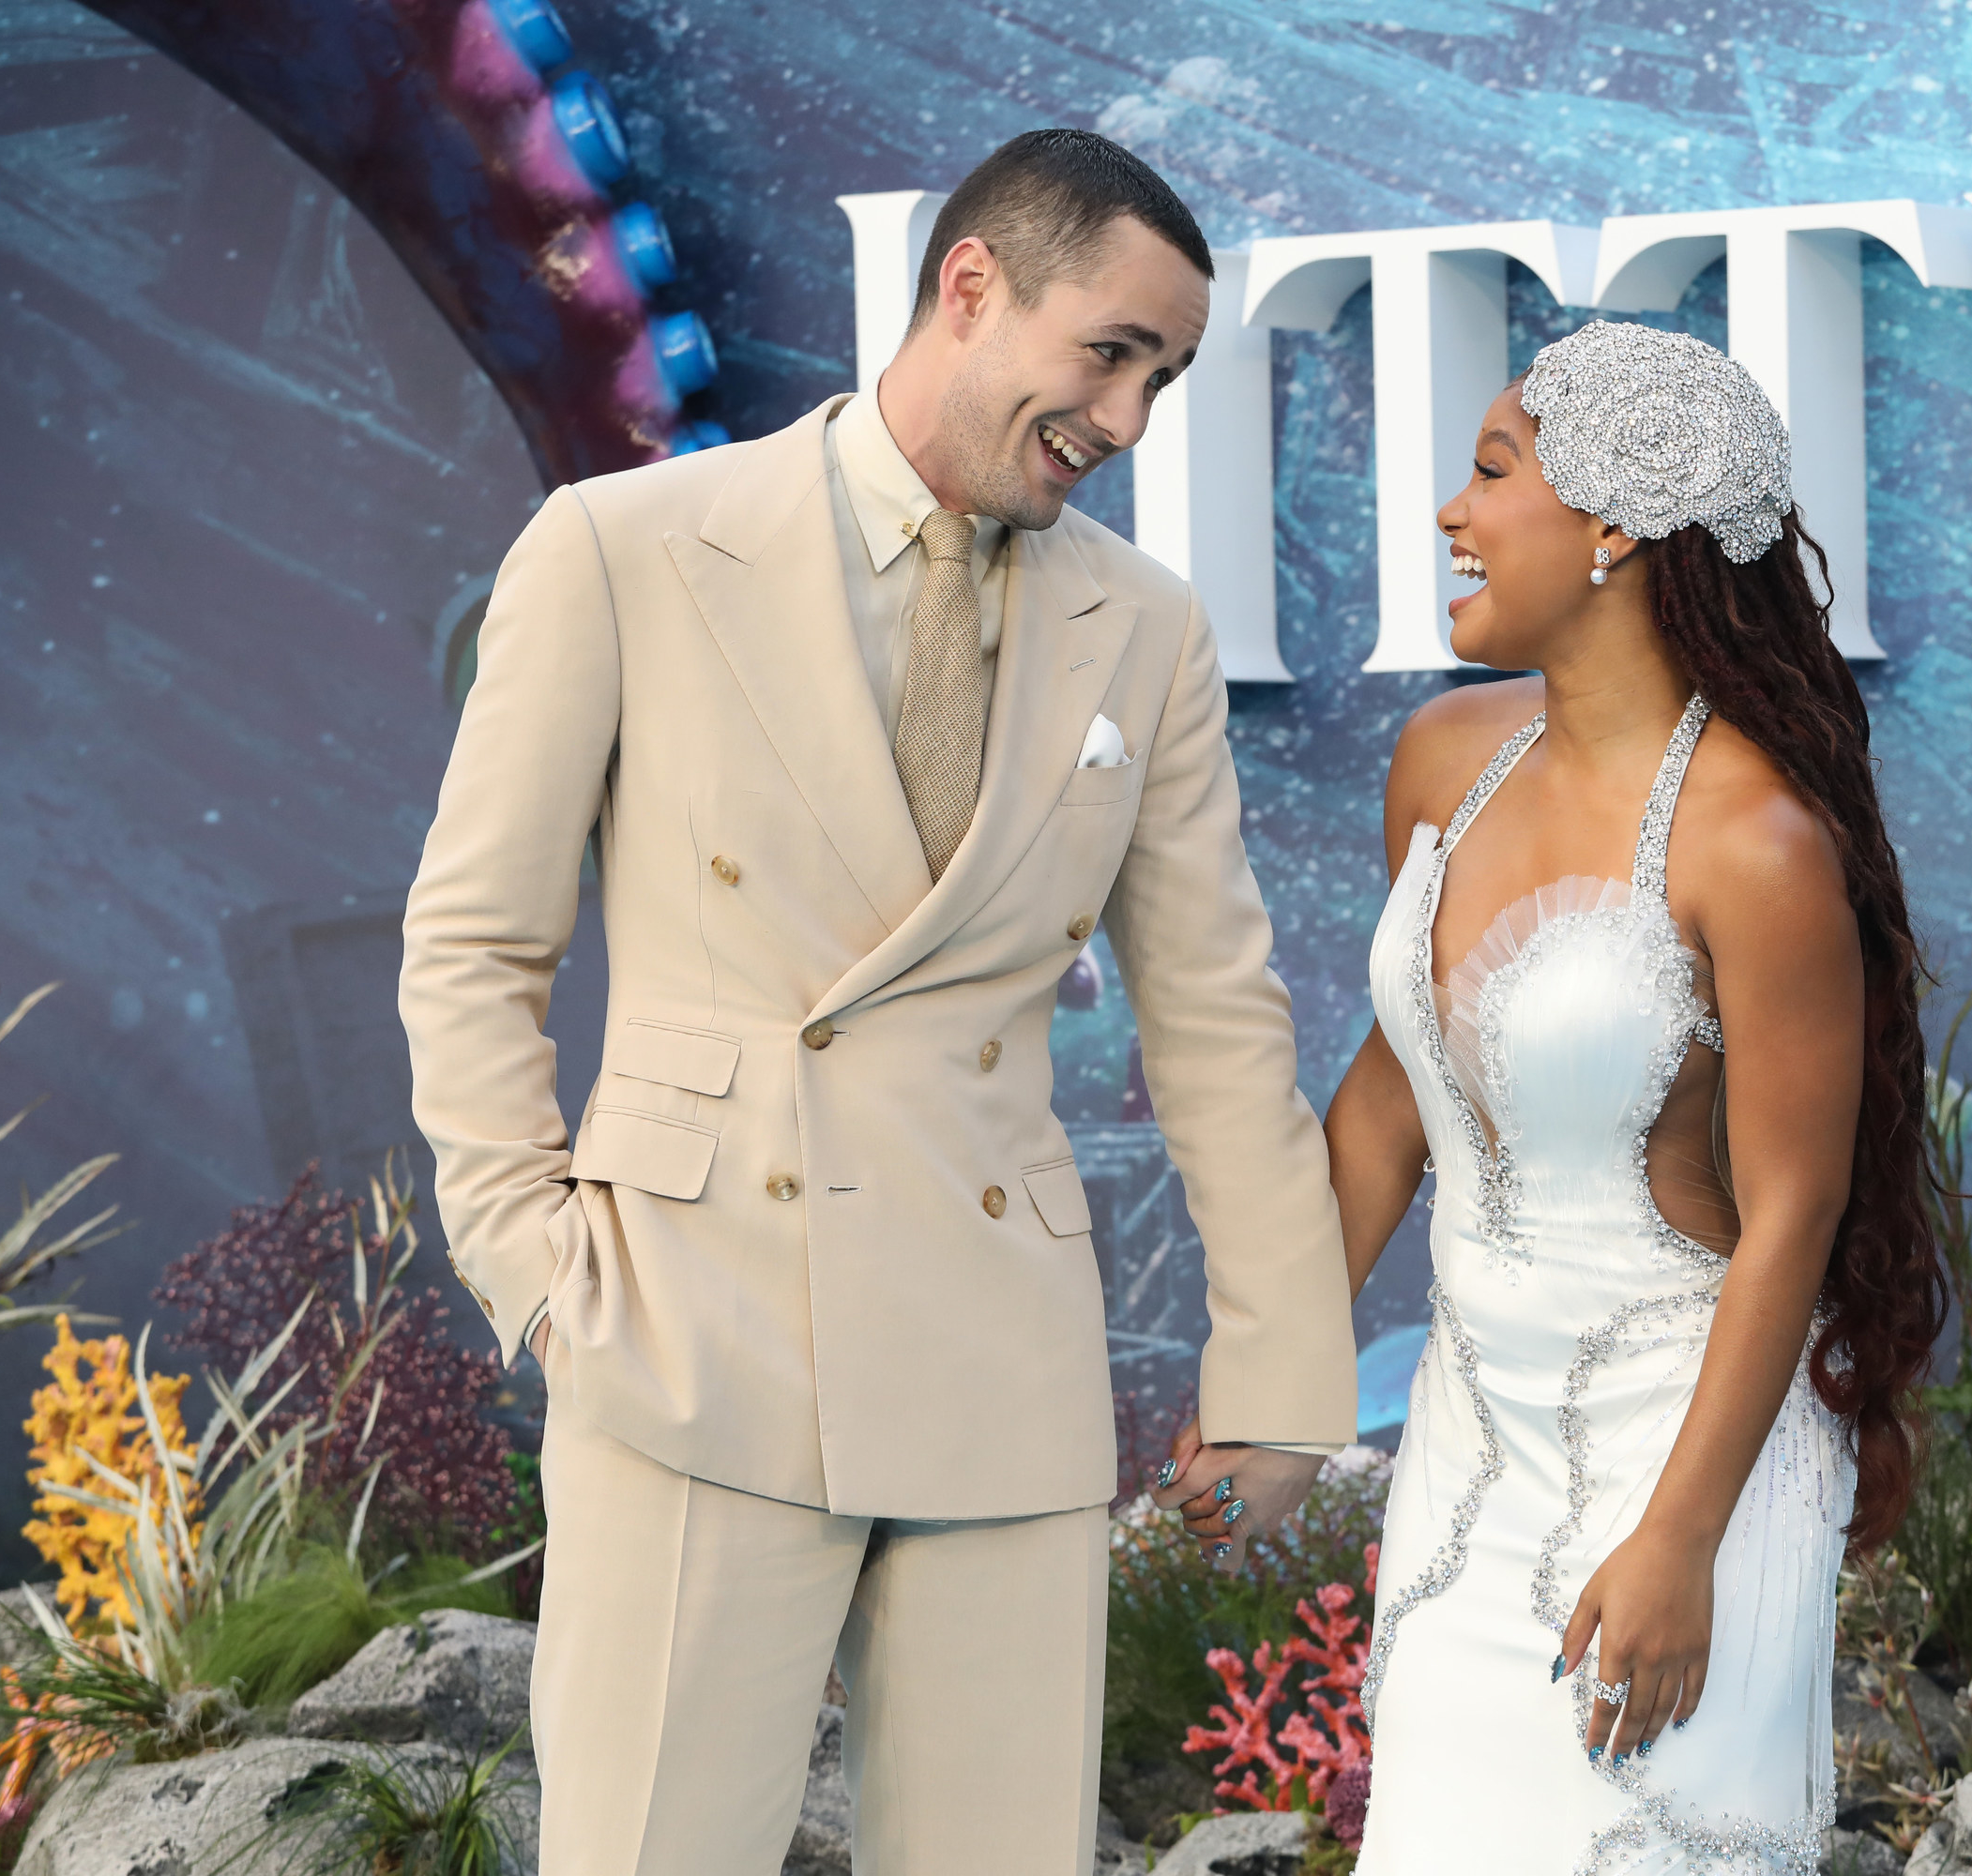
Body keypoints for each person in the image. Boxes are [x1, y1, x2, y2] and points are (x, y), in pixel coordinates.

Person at [397, 129, 1355, 1876]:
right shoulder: (625, 546)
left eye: (1168, 375)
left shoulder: (1144, 630)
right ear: (971, 283)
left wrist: (1283, 1371)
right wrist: (538, 1273)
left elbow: (1217, 1017)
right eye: (1112, 353)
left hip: (1000, 1350)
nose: (1131, 421)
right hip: (689, 1325)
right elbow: (474, 943)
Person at [1296, 319, 1946, 1871]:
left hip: (1686, 1447)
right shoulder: (1441, 761)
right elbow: (1392, 1103)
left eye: (1491, 470)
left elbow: (1798, 1210)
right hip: (1469, 1442)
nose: (1452, 512)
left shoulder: (1761, 842)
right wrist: (1272, 1371)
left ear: (1611, 529)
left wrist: (1681, 1540)